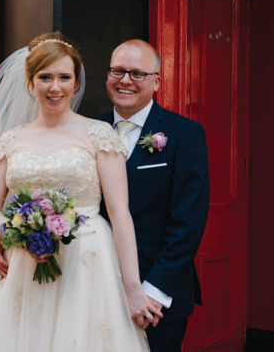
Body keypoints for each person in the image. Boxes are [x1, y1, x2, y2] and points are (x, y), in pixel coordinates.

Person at [0, 32, 160, 351]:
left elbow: (121, 213)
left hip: (88, 262)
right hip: (27, 261)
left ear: (76, 82)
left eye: (64, 77)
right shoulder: (11, 139)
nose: (55, 87)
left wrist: (133, 288)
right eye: (45, 77)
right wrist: (16, 233)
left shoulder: (99, 134)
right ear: (30, 80)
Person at [97, 39, 209, 352]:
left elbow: (188, 221)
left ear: (157, 81)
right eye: (117, 71)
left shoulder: (184, 134)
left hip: (156, 291)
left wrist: (154, 291)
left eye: (137, 74)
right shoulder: (92, 129)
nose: (125, 81)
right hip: (97, 283)